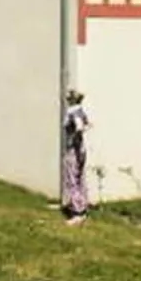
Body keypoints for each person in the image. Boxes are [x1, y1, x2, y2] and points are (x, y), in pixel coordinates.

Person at [60, 89, 91, 224]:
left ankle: (77, 212)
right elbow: (87, 125)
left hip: (74, 149)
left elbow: (79, 127)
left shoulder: (72, 112)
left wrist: (73, 138)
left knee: (72, 178)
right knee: (79, 178)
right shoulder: (81, 111)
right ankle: (81, 206)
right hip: (81, 149)